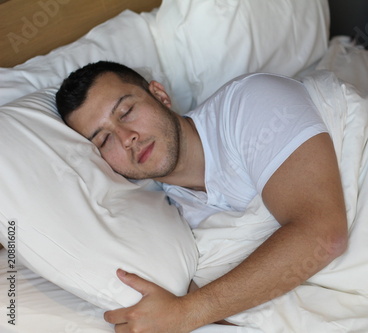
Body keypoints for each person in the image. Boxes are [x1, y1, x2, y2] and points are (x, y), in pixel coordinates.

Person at [56, 61, 348, 332]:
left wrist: (186, 312)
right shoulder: (176, 221)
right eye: (104, 139)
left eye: (126, 111)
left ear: (159, 95)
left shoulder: (248, 102)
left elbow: (323, 234)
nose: (126, 137)